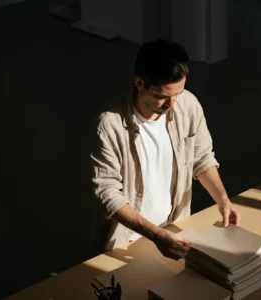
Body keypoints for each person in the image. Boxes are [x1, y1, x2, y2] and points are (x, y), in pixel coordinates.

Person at [89, 39, 240, 260]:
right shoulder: (109, 126)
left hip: (177, 227)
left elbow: (202, 158)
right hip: (129, 238)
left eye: (178, 93)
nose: (172, 105)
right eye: (162, 96)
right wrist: (156, 234)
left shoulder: (188, 105)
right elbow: (108, 193)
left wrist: (223, 199)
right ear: (140, 83)